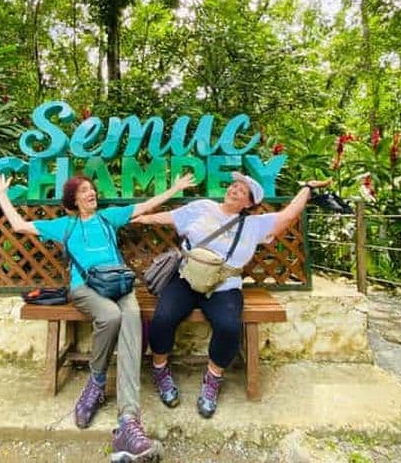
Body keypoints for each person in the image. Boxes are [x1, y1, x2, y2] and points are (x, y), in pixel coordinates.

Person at [0, 171, 195, 463]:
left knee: (131, 321)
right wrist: (1, 195)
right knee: (110, 316)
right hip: (85, 288)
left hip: (120, 285)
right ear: (74, 200)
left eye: (92, 190)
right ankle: (96, 381)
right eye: (84, 191)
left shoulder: (108, 218)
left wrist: (175, 187)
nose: (92, 194)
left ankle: (128, 422)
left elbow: (145, 206)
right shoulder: (65, 225)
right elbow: (19, 226)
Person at [132, 172, 331, 418]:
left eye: (242, 191)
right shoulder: (202, 207)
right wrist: (142, 219)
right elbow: (171, 217)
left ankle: (213, 378)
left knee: (229, 327)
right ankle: (160, 369)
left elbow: (288, 215)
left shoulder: (255, 225)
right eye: (234, 186)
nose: (235, 190)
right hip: (186, 278)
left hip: (224, 285)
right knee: (163, 318)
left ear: (249, 203)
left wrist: (308, 188)